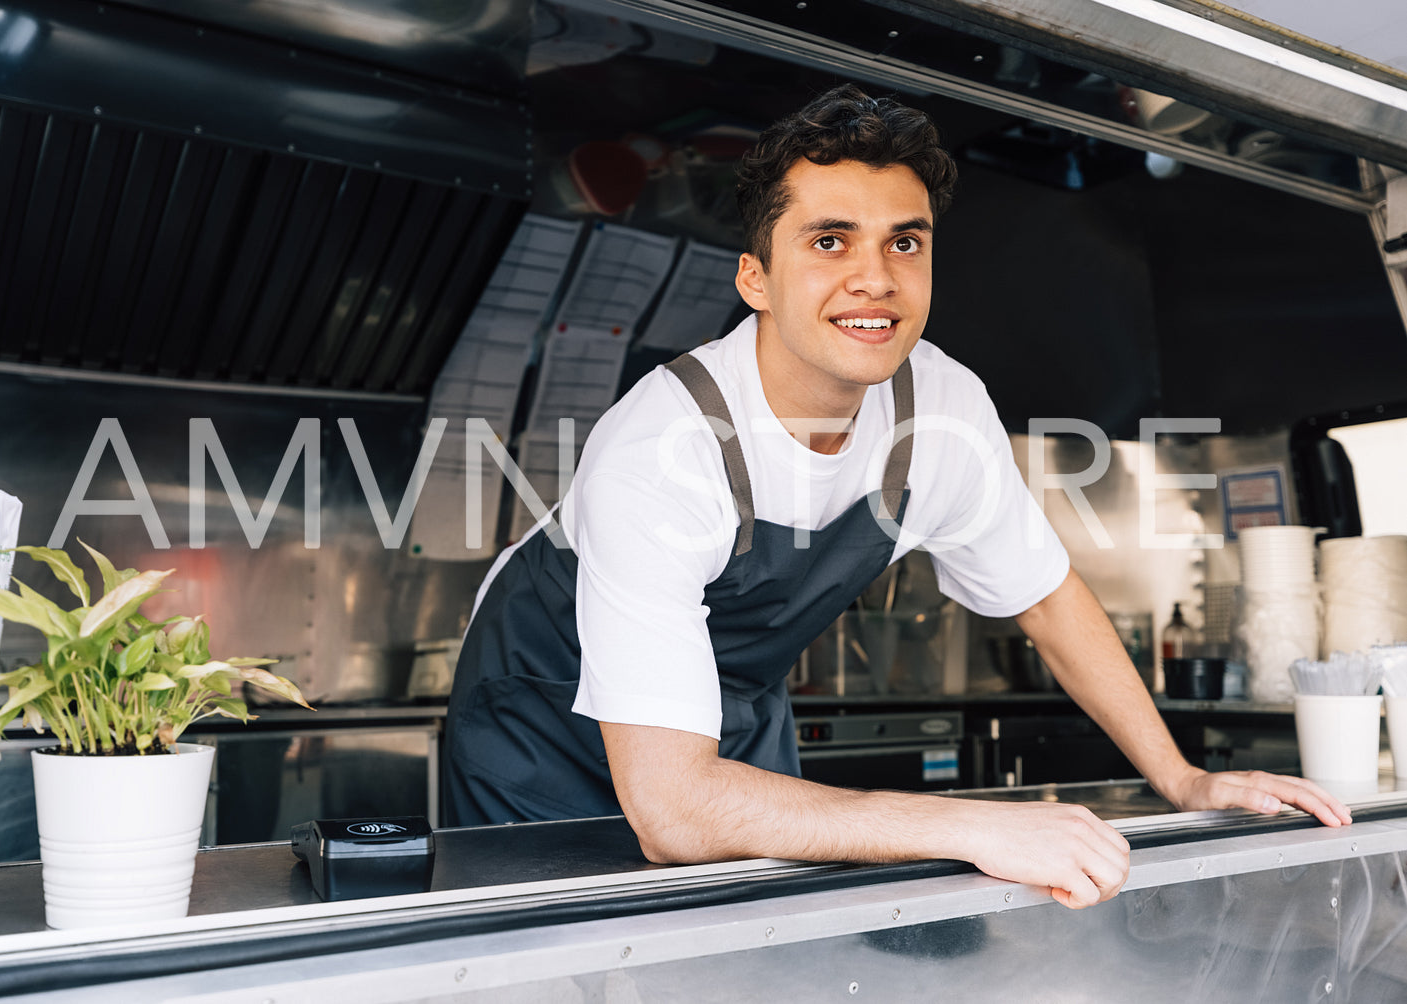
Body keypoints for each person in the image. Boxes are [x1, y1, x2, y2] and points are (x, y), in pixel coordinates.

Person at [444, 83, 1350, 909]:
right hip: (539, 734)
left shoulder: (941, 407)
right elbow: (675, 811)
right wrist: (965, 824)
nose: (873, 278)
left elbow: (1043, 595)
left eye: (903, 242)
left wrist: (1180, 776)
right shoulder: (663, 448)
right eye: (829, 240)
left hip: (726, 723)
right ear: (754, 277)